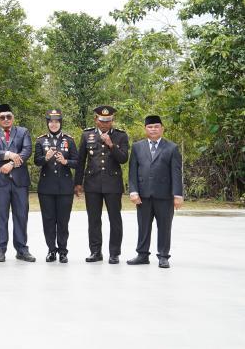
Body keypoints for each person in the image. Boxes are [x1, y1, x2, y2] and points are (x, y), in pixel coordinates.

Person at [75, 105, 130, 264]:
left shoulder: (120, 136)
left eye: (108, 120)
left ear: (112, 120)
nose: (105, 123)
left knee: (115, 219)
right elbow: (81, 161)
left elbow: (123, 159)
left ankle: (114, 253)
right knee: (93, 219)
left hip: (113, 184)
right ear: (96, 120)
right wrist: (78, 183)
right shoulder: (87, 135)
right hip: (92, 183)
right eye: (102, 120)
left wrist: (111, 144)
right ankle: (95, 251)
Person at [127, 115, 183, 269]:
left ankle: (163, 256)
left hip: (164, 195)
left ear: (162, 128)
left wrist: (178, 195)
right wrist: (133, 191)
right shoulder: (137, 147)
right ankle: (142, 255)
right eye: (150, 127)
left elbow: (176, 173)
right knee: (143, 226)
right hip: (143, 195)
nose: (153, 129)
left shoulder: (172, 147)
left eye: (156, 126)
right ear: (145, 129)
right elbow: (132, 171)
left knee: (164, 227)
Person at [0, 104, 35, 262]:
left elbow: (27, 151)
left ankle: (22, 250)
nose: (6, 119)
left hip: (20, 181)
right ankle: (0, 249)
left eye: (9, 116)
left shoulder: (23, 132)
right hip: (0, 182)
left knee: (21, 215)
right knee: (0, 216)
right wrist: (8, 154)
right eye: (2, 117)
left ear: (13, 118)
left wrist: (12, 164)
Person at [34, 108, 78, 263]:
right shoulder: (40, 140)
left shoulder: (69, 140)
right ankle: (51, 250)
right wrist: (45, 158)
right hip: (46, 188)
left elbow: (77, 162)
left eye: (56, 121)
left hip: (65, 188)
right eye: (51, 121)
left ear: (60, 123)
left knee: (63, 221)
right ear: (47, 123)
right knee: (48, 221)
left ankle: (63, 251)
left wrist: (66, 162)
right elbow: (36, 161)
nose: (54, 124)